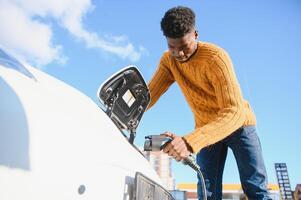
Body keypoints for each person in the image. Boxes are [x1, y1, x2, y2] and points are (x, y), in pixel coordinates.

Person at [147, 6, 271, 200]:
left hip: (240, 126)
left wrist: (188, 143)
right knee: (207, 192)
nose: (179, 54)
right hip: (206, 129)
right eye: (172, 47)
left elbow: (234, 112)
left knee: (255, 187)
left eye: (184, 46)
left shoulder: (216, 58)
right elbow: (148, 95)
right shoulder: (168, 61)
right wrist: (126, 110)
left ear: (195, 34)